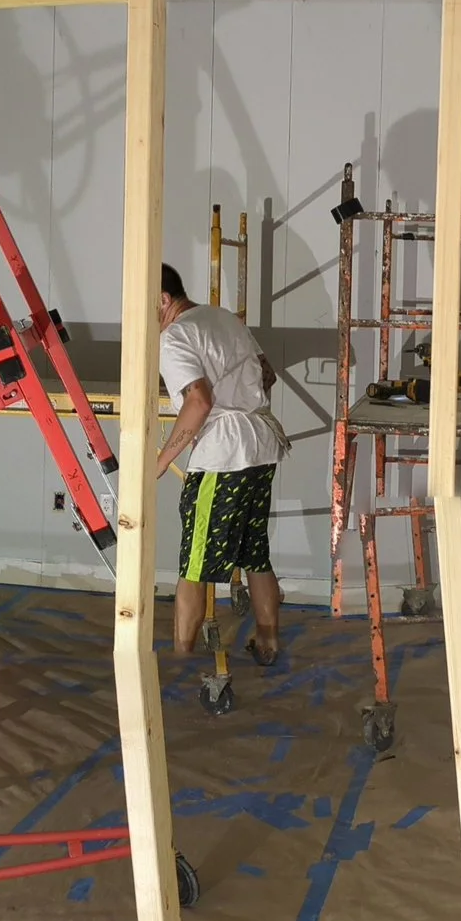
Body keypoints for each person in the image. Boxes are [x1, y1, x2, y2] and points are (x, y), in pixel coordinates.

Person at [155, 263, 287, 668]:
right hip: (262, 444)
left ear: (162, 300)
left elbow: (199, 401)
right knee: (254, 552)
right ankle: (268, 643)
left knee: (194, 563)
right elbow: (268, 373)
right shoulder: (223, 316)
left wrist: (158, 464)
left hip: (223, 454)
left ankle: (181, 659)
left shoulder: (175, 335)